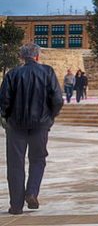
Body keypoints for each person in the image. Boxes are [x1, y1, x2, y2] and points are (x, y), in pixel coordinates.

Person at [0, 43, 64, 215]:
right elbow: (58, 99)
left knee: (15, 164)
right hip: (40, 125)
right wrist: (50, 118)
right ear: (37, 56)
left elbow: (4, 101)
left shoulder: (12, 74)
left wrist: (5, 118)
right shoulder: (48, 72)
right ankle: (32, 192)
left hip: (16, 126)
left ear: (22, 57)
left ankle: (16, 206)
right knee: (38, 159)